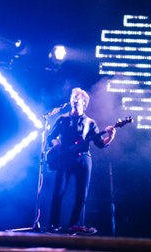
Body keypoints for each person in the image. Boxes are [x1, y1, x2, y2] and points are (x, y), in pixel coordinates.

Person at [46, 88, 116, 235]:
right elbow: (51, 136)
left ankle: (74, 224)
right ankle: (53, 224)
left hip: (83, 159)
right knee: (58, 192)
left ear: (84, 103)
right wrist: (56, 145)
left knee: (81, 194)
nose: (75, 99)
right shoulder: (62, 119)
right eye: (73, 97)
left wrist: (110, 136)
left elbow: (99, 143)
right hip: (64, 159)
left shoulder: (90, 123)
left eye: (78, 97)